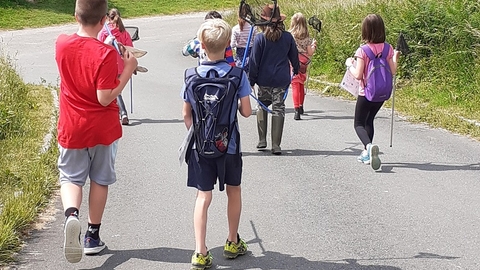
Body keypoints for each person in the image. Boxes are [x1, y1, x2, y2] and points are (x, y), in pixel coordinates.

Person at [55, 0, 137, 263]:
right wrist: (127, 69)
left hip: (72, 125)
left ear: (75, 16)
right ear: (104, 21)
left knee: (71, 177)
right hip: (102, 127)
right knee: (100, 179)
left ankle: (71, 216)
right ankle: (92, 235)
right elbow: (104, 97)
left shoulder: (61, 44)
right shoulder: (104, 53)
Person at [181, 18, 252, 270]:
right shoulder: (237, 75)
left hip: (201, 147)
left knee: (203, 196)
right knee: (234, 190)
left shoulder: (190, 76)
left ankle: (200, 251)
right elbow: (245, 112)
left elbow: (186, 114)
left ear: (201, 45)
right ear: (228, 46)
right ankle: (232, 241)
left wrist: (199, 135)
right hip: (229, 144)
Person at [346, 14, 400, 170]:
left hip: (366, 92)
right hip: (382, 92)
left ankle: (368, 147)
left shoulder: (363, 50)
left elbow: (357, 74)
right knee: (369, 120)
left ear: (365, 30)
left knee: (358, 124)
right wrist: (395, 57)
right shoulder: (388, 48)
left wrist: (349, 64)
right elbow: (393, 70)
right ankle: (366, 154)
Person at [249, 4, 299, 155]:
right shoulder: (287, 37)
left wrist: (251, 80)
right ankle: (276, 145)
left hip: (263, 80)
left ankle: (262, 140)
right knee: (278, 109)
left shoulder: (260, 38)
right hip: (281, 80)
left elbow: (254, 62)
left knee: (262, 106)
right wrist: (296, 69)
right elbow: (294, 57)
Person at [98, 8, 133, 125]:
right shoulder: (125, 33)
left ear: (108, 17)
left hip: (110, 66)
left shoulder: (104, 32)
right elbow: (130, 50)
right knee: (116, 91)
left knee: (114, 92)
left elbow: (99, 49)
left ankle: (123, 113)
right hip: (123, 67)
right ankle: (119, 112)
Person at [289, 12, 317, 120]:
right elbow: (310, 52)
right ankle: (301, 106)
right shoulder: (307, 37)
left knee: (295, 84)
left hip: (294, 61)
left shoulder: (290, 36)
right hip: (304, 63)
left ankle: (296, 109)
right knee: (301, 84)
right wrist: (314, 46)